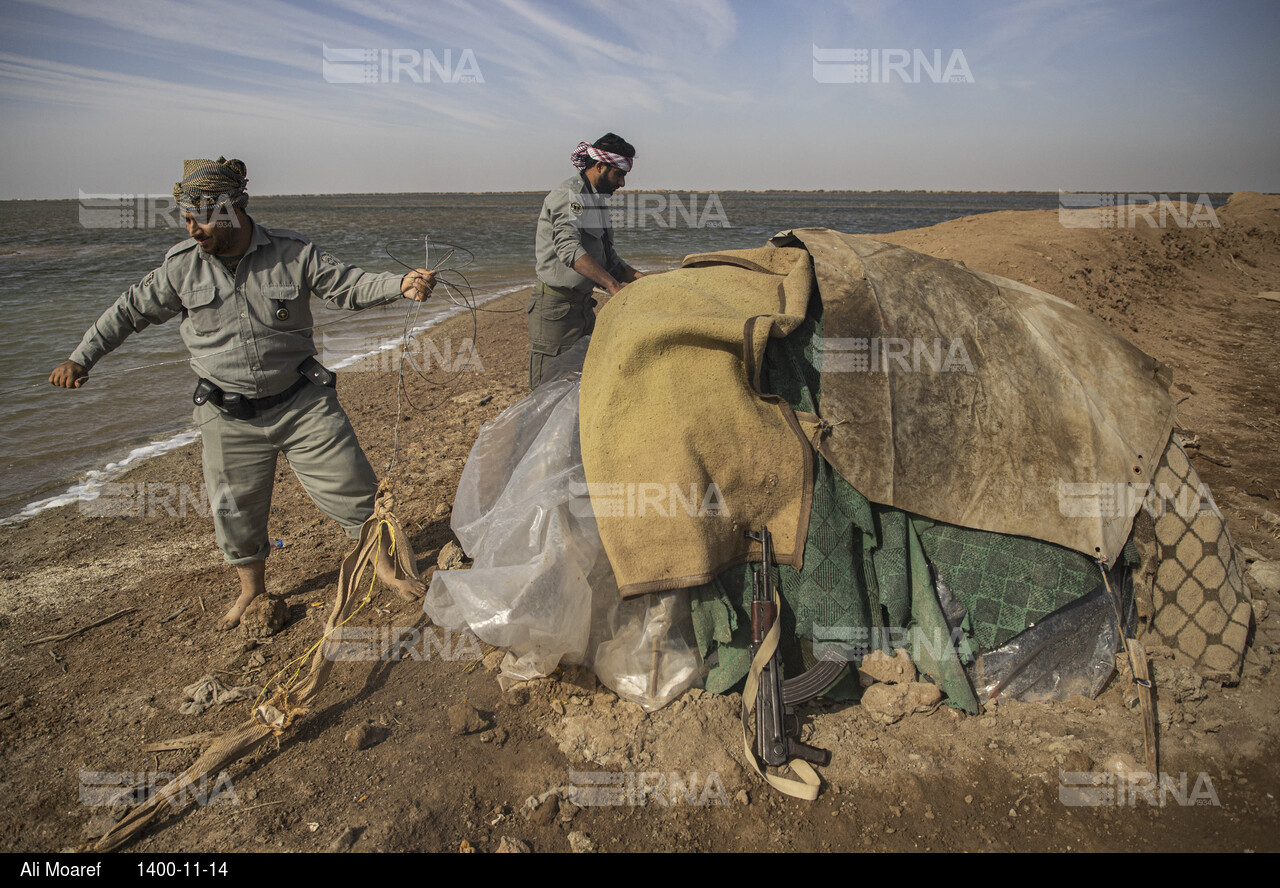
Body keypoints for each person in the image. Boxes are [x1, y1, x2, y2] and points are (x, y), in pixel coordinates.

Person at [49, 157, 437, 629]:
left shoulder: (294, 253)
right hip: (226, 415)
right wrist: (80, 357)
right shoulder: (180, 269)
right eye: (187, 218)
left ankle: (387, 572)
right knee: (235, 514)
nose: (195, 229)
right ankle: (253, 592)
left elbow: (348, 284)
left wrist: (400, 283)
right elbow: (127, 312)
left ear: (238, 207)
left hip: (302, 404)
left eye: (206, 217)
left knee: (357, 492)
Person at [529, 133, 644, 388]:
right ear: (600, 166)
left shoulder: (597, 201)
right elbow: (569, 249)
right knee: (545, 393)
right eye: (619, 174)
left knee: (581, 389)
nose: (623, 183)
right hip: (556, 313)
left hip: (583, 310)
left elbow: (609, 260)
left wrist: (643, 281)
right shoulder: (570, 196)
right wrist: (614, 287)